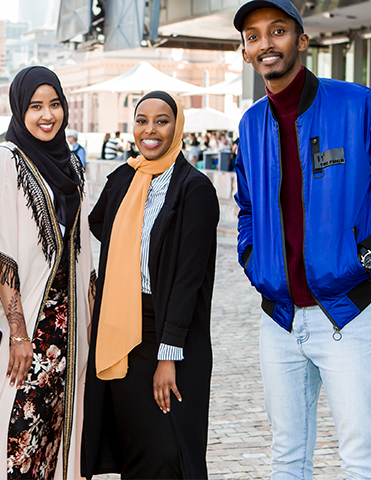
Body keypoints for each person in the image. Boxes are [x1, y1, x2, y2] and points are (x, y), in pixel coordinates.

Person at [233, 0, 371, 479]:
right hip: (280, 321)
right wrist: (251, 256)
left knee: (361, 460)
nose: (266, 43)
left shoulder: (358, 105)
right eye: (253, 36)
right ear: (246, 52)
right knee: (286, 458)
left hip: (348, 313)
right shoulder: (250, 125)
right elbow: (246, 205)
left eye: (278, 31)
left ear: (302, 40)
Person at [82, 92, 218, 479]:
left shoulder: (195, 189)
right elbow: (97, 224)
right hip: (123, 329)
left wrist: (167, 356)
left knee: (169, 452)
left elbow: (189, 281)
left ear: (177, 127)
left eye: (162, 120)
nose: (150, 130)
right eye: (142, 120)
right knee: (137, 449)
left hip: (171, 332)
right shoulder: (124, 178)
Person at [0, 66, 95, 480]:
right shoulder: (5, 160)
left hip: (67, 328)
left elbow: (83, 246)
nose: (47, 115)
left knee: (55, 436)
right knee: (17, 437)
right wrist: (19, 334)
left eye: (55, 104)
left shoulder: (72, 166)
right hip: (25, 331)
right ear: (19, 109)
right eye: (36, 106)